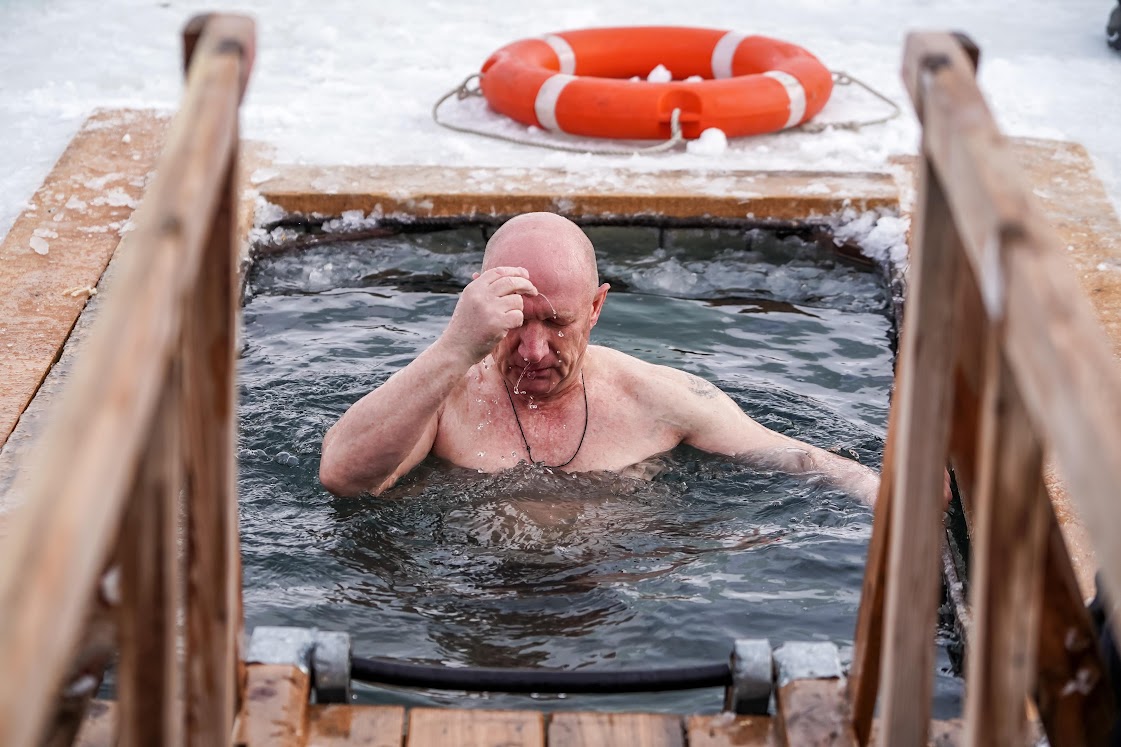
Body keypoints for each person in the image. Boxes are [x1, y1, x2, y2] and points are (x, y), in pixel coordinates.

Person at [319, 212, 880, 503]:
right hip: (464, 588)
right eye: (515, 320)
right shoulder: (444, 394)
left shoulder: (657, 397)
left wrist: (891, 502)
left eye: (557, 323)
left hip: (611, 603)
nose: (533, 350)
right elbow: (343, 479)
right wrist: (455, 347)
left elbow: (799, 462)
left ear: (595, 307)